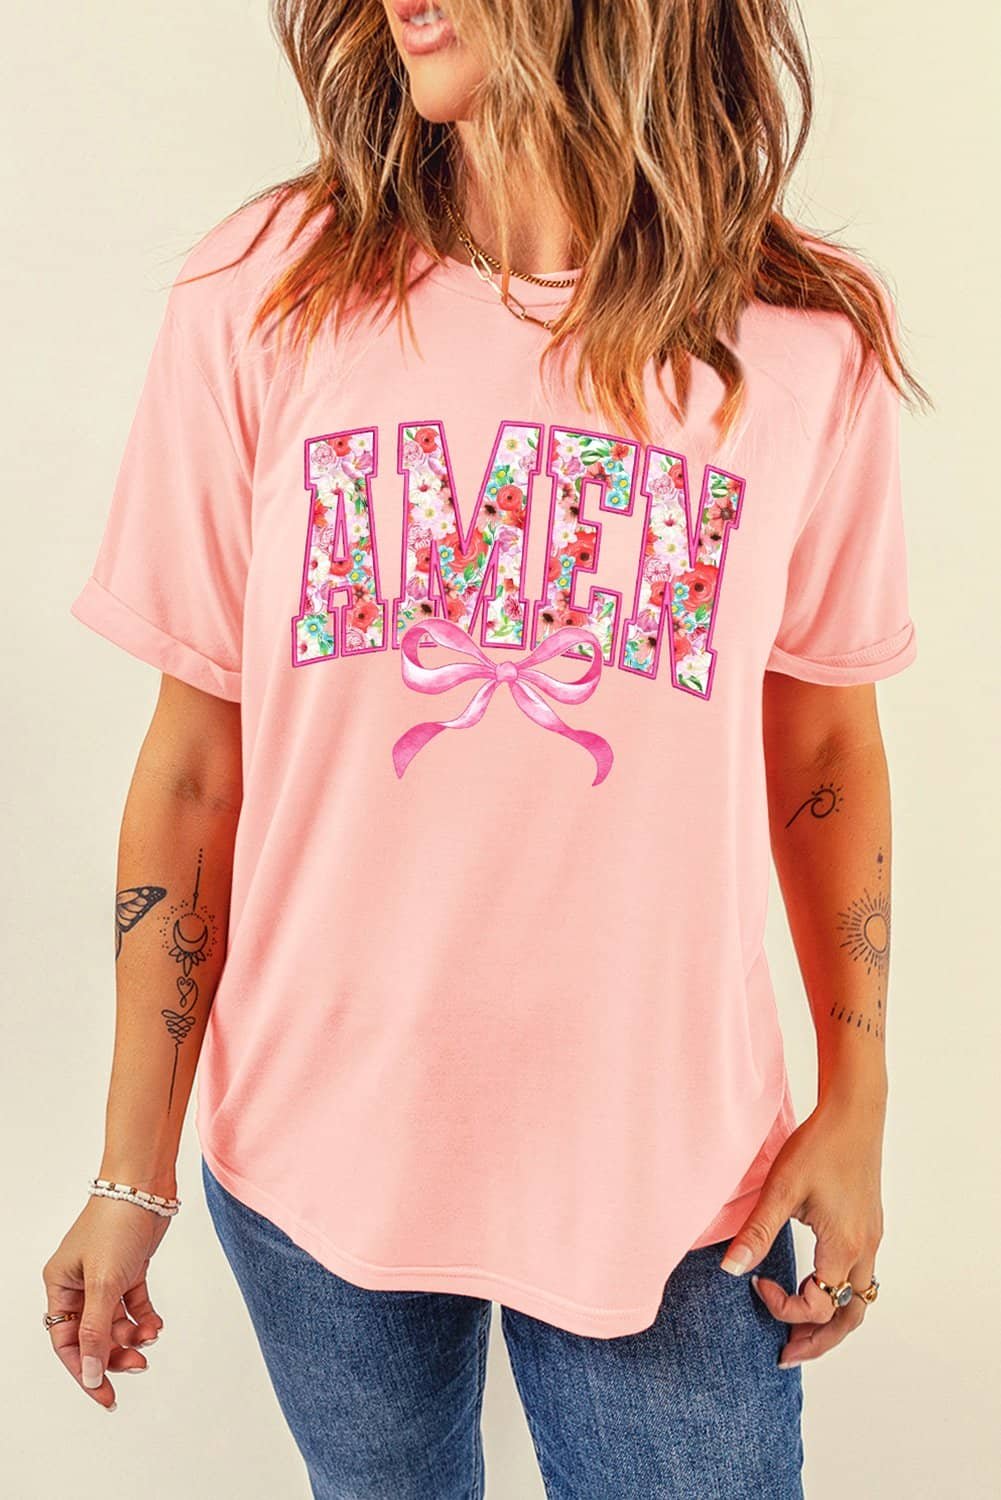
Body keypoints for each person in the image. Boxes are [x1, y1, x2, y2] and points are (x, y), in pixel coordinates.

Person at [43, 2, 922, 1495]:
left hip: (669, 1173)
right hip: (315, 1148)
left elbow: (825, 738)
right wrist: (132, 1172)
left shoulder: (801, 338)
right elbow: (196, 765)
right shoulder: (262, 292)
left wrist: (860, 1100)